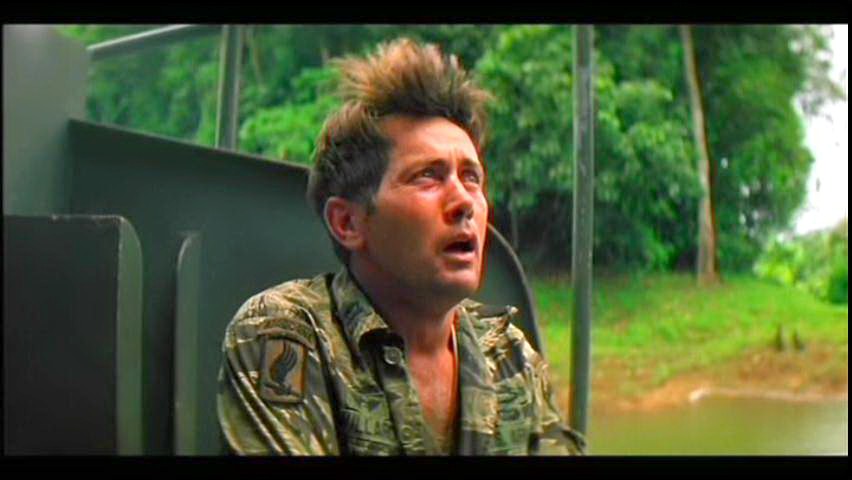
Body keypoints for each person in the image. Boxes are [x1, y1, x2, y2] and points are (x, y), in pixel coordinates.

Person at [217, 37, 585, 456]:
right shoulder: (287, 334)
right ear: (348, 223)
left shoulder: (506, 352)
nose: (464, 201)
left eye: (471, 178)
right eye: (427, 176)